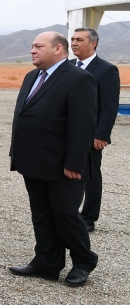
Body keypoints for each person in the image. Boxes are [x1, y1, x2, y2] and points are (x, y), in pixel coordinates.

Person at [9, 32, 98, 287]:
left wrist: (74, 162)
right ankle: (47, 262)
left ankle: (84, 260)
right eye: (32, 46)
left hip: (63, 165)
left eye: (38, 46)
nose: (32, 51)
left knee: (66, 215)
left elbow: (83, 125)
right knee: (41, 214)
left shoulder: (79, 79)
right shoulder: (31, 77)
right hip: (34, 161)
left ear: (58, 49)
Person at [70, 27, 121, 232]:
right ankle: (69, 212)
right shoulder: (69, 66)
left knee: (90, 175)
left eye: (79, 40)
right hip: (69, 132)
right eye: (72, 39)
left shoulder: (106, 70)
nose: (74, 43)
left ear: (93, 43)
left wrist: (102, 134)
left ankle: (89, 218)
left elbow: (109, 107)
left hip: (92, 135)